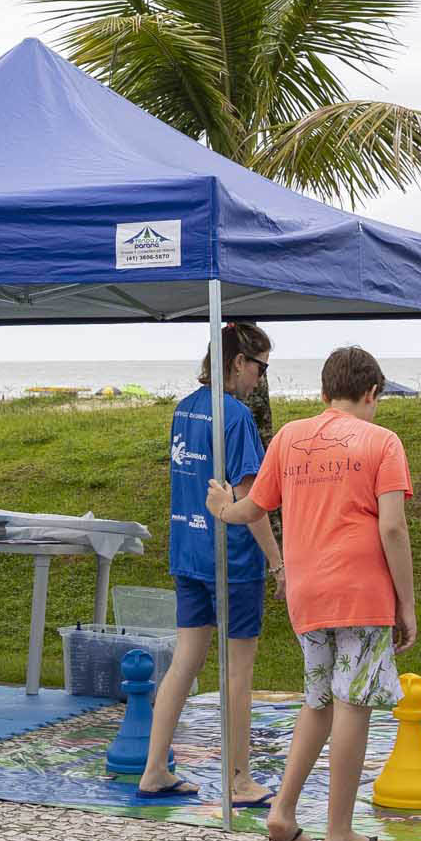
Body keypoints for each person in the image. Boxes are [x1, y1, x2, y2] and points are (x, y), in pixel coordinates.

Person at [206, 346, 415, 841]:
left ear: (324, 393)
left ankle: (283, 812)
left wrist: (222, 508)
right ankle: (340, 834)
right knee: (352, 703)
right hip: (362, 594)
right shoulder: (383, 442)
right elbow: (392, 526)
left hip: (306, 591)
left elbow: (255, 506)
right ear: (371, 393)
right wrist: (406, 605)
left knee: (317, 701)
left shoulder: (290, 438)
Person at [136, 322, 284, 807]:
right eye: (260, 367)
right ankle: (239, 780)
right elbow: (250, 500)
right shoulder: (236, 416)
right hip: (232, 557)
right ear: (239, 362)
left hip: (187, 551)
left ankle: (155, 768)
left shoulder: (184, 410)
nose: (261, 379)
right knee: (238, 670)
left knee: (186, 660)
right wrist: (277, 563)